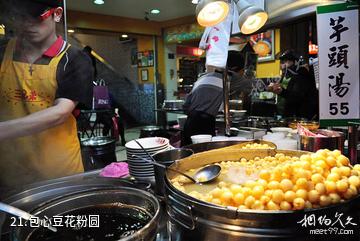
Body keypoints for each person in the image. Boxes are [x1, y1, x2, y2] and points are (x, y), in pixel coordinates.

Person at [0, 0, 94, 196]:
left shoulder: (74, 59)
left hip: (60, 175)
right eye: (20, 17)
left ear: (57, 14)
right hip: (10, 174)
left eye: (36, 17)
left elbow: (60, 112)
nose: (27, 24)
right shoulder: (3, 52)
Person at [182, 50, 245, 146]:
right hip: (204, 125)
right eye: (242, 70)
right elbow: (255, 85)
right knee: (204, 155)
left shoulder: (203, 77)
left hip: (189, 123)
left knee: (187, 154)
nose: (242, 73)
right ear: (236, 69)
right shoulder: (231, 78)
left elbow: (186, 106)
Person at [267, 49, 318, 120]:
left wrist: (281, 91)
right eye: (282, 62)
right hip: (285, 115)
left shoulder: (302, 75)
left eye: (286, 61)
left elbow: (297, 97)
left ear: (296, 62)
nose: (282, 65)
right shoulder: (286, 74)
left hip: (298, 118)